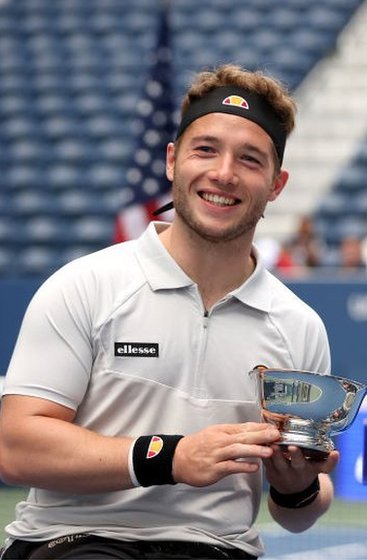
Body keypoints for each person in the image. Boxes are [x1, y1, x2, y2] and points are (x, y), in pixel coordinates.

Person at [0, 64, 336, 559]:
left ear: (276, 184)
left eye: (249, 159)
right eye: (206, 150)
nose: (223, 173)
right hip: (72, 540)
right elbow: (16, 446)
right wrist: (171, 457)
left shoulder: (299, 326)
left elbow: (299, 513)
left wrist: (297, 486)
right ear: (172, 161)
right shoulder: (84, 286)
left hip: (215, 548)